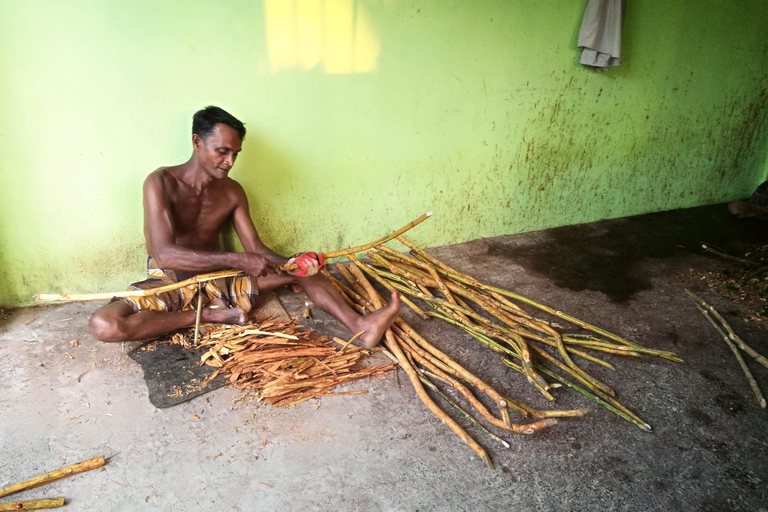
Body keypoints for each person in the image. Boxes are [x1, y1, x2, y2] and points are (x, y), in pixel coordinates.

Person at [89, 106, 400, 347]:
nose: (229, 161)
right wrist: (237, 260)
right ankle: (210, 316)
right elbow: (165, 254)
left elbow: (256, 250)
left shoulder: (233, 191)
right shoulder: (160, 183)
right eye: (221, 151)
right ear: (197, 142)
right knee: (105, 325)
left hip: (223, 283)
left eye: (235, 154)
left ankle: (360, 327)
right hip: (171, 283)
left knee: (308, 273)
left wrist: (293, 262)